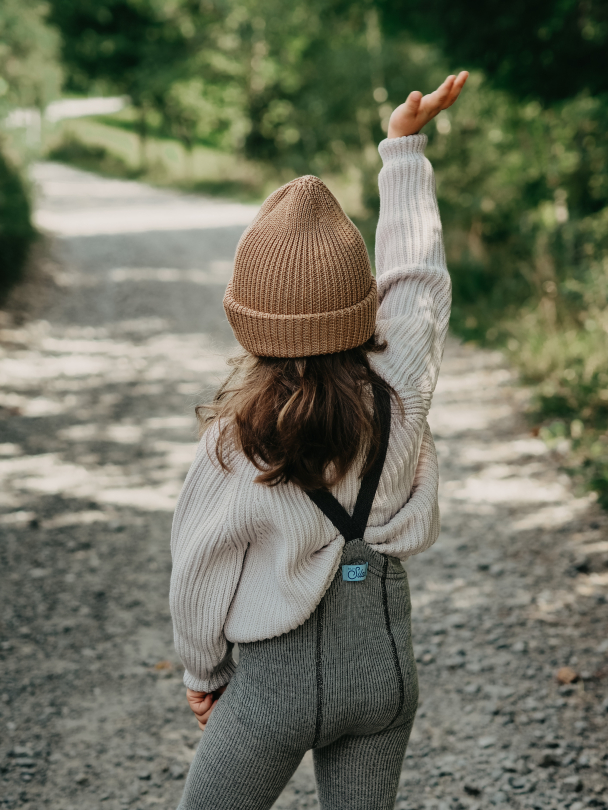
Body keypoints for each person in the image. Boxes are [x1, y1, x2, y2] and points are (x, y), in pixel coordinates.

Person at [169, 71, 468, 810]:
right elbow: (421, 282)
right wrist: (403, 151)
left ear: (247, 318)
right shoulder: (401, 390)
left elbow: (199, 569)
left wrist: (201, 672)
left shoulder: (237, 442)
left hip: (273, 692)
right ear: (363, 306)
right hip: (384, 676)